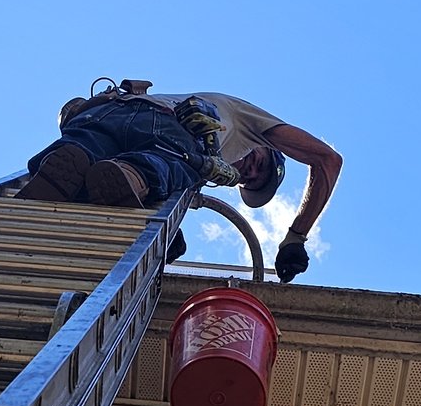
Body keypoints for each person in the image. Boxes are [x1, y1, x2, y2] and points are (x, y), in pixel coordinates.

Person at [17, 83, 343, 283]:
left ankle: (66, 162)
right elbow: (327, 159)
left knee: (88, 150)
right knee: (172, 167)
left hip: (110, 113)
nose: (251, 172)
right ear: (266, 147)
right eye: (261, 164)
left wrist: (172, 236)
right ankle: (132, 174)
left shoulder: (213, 159)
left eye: (250, 181)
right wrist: (295, 237)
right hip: (171, 132)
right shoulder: (246, 122)